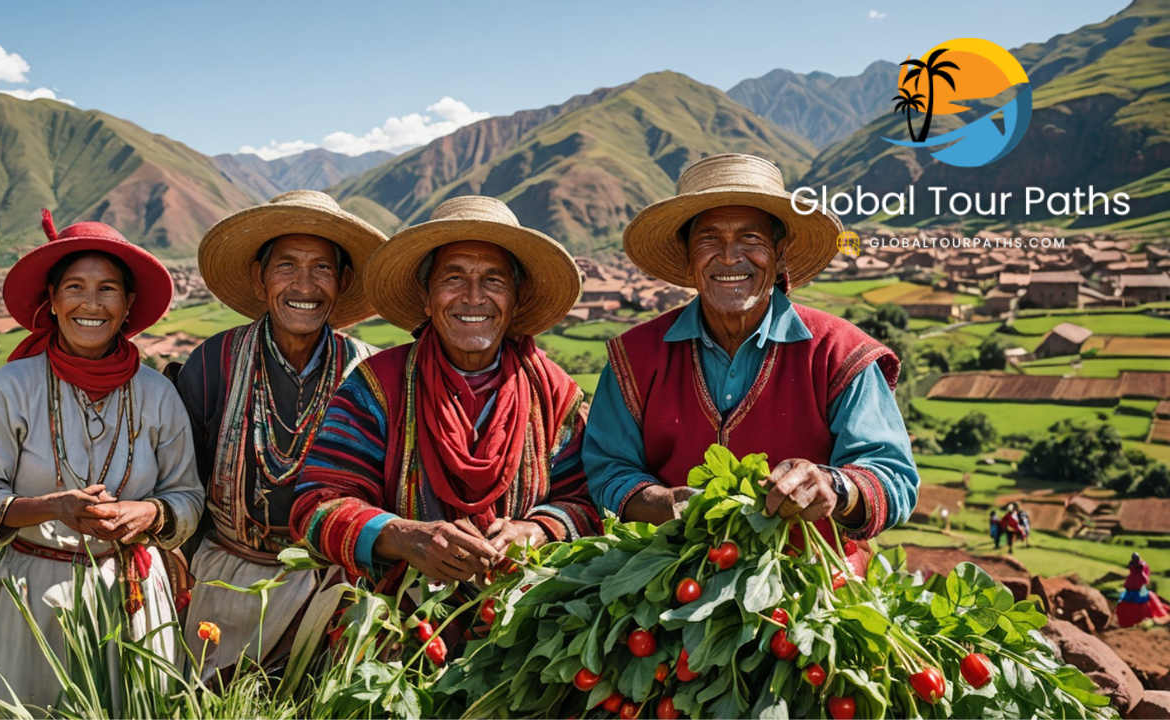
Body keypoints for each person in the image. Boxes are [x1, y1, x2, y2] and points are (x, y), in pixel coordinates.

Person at [583, 154, 919, 570]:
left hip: (814, 590)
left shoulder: (839, 352)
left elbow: (894, 477)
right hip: (670, 584)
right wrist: (664, 503)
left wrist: (835, 485)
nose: (729, 256)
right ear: (688, 257)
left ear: (780, 255)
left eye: (751, 239)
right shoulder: (635, 358)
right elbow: (607, 470)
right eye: (709, 239)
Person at [0, 211, 203, 710]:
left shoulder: (156, 393)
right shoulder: (12, 387)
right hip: (33, 594)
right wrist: (52, 507)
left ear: (129, 303)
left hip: (132, 595)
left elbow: (188, 496)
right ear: (52, 298)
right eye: (75, 287)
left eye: (108, 289)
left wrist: (148, 513)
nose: (92, 303)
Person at [290, 196, 601, 586]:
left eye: (494, 280)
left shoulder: (553, 393)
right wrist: (401, 536)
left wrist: (537, 531)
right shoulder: (377, 387)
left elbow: (589, 502)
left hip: (527, 625)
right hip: (402, 630)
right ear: (426, 297)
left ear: (516, 299)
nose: (473, 296)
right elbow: (316, 506)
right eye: (453, 278)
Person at [176, 191, 385, 679]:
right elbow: (184, 483)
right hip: (225, 586)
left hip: (334, 590)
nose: (304, 285)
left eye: (322, 269)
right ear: (259, 277)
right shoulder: (213, 363)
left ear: (344, 281)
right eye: (286, 265)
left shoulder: (370, 373)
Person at [1116, 552, 1169, 627]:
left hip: (1139, 588)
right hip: (1131, 588)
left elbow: (1144, 577)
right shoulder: (1133, 566)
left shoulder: (1142, 566)